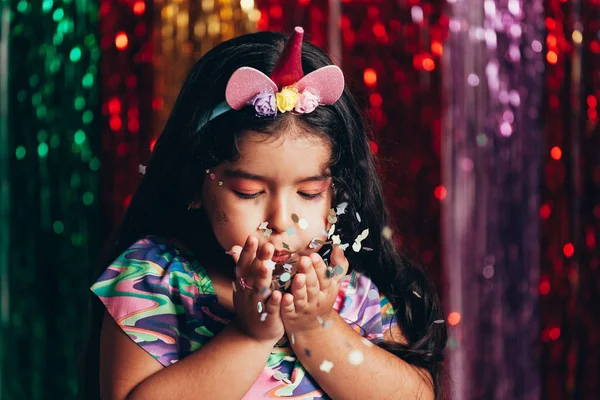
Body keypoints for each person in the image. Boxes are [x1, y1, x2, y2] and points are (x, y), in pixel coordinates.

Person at [81, 27, 447, 400]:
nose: (282, 220)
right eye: (249, 193)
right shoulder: (155, 278)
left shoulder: (349, 291)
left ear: (336, 193)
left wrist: (314, 327)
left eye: (309, 193)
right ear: (194, 184)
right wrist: (251, 335)